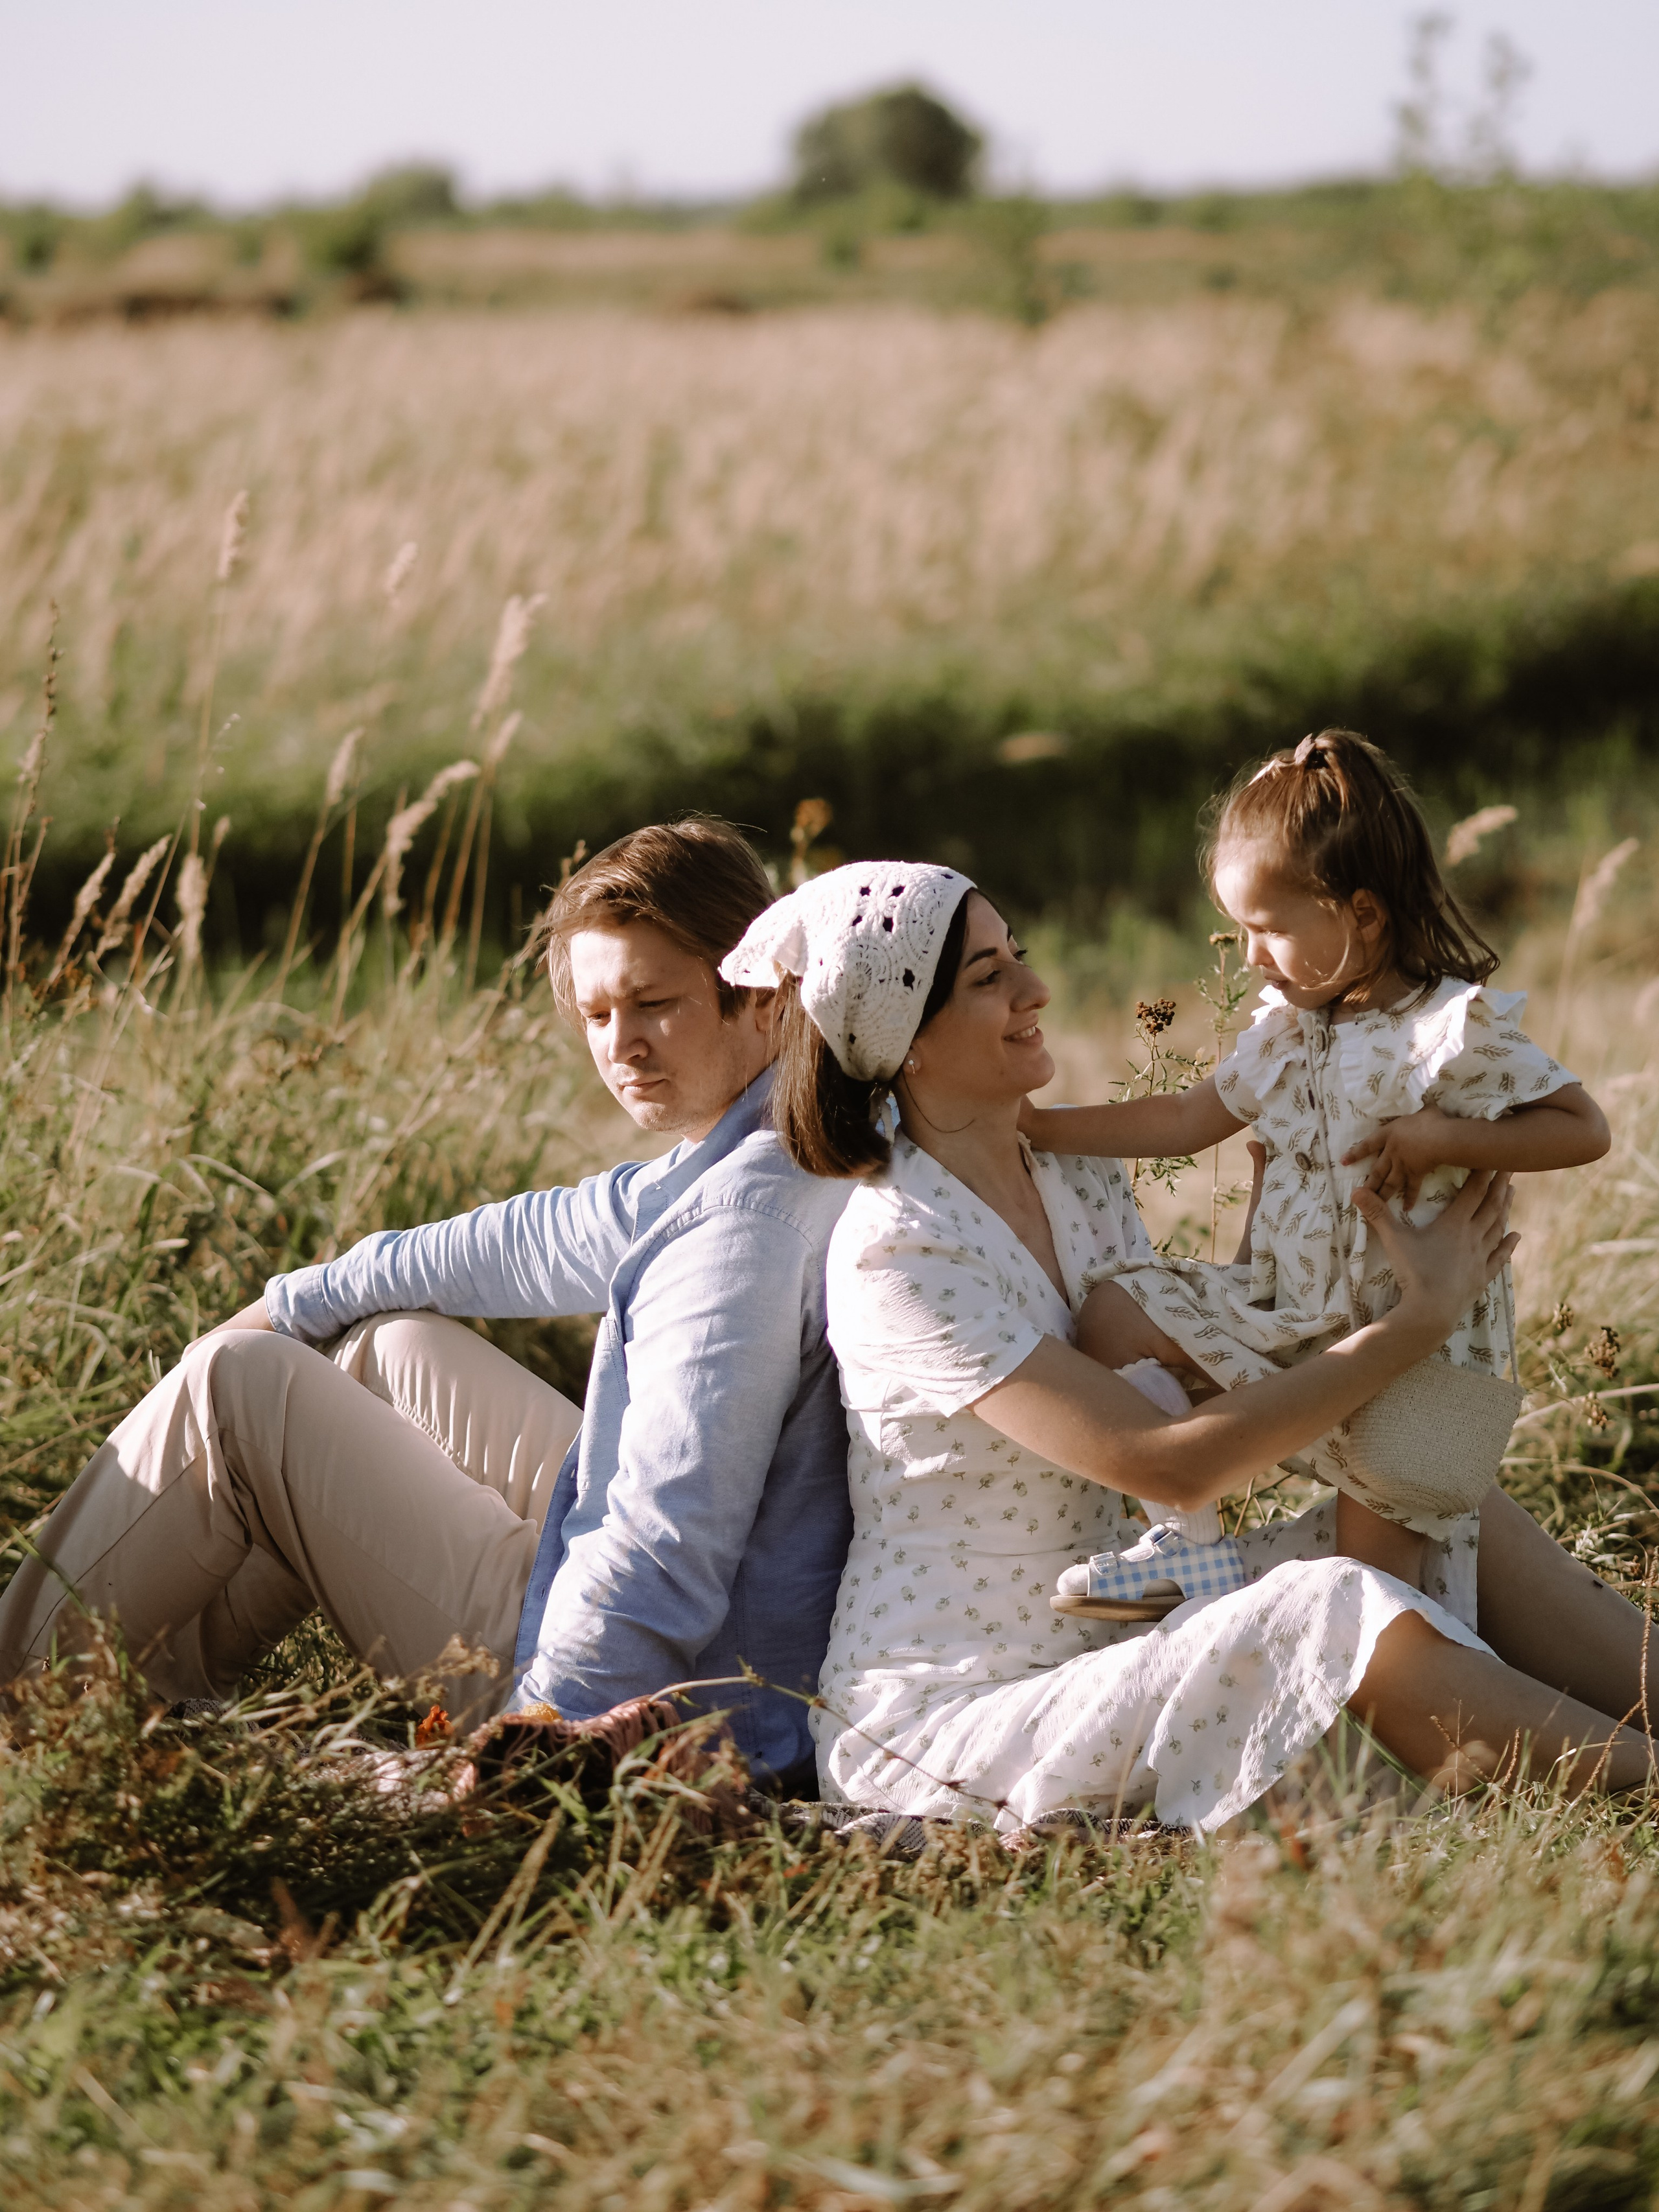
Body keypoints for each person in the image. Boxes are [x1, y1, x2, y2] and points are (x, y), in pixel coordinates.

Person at [723, 859, 1656, 1835]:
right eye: (987, 978)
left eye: (1018, 957)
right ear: (902, 1041)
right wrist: (1412, 1324)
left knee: (1434, 1493)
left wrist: (1299, 1260)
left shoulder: (1071, 1177)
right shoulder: (899, 1251)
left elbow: (1196, 1385)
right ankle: (1649, 1784)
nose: (1036, 990)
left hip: (1127, 1625)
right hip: (965, 1713)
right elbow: (1165, 1460)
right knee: (1331, 1603)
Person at [0, 820, 852, 1792]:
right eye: (598, 1013)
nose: (623, 1047)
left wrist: (551, 1730)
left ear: (755, 989)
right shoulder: (778, 1127)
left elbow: (670, 1541)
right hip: (724, 1611)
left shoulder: (742, 1228)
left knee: (240, 1389)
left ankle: (21, 1700)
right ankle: (145, 1701)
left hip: (650, 1699)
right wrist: (289, 1302)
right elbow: (537, 1236)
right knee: (384, 1349)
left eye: (654, 1003)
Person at [1021, 731, 1609, 1615]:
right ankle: (1193, 1542)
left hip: (1426, 1363)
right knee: (1112, 1315)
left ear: (1361, 914)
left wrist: (1445, 1134)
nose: (1250, 955)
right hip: (1294, 1328)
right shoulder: (1285, 1033)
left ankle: (1450, 1738)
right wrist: (1036, 1125)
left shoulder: (1448, 1033)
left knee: (1382, 1609)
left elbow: (1582, 1128)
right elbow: (1184, 1119)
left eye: (1267, 928)